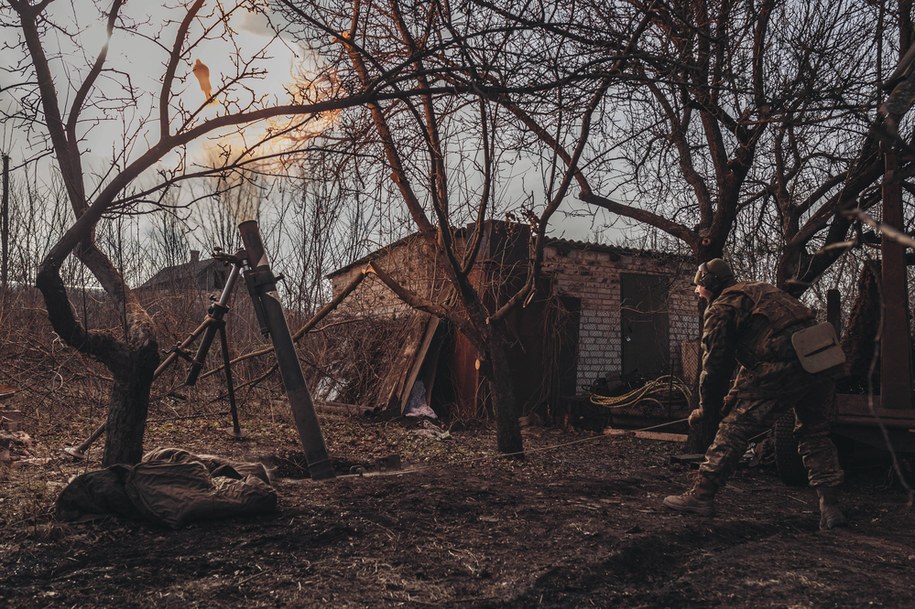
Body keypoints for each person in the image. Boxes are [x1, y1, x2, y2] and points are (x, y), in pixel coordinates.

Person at [663, 258, 847, 530]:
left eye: (699, 286)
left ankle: (701, 496)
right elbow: (753, 356)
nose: (696, 291)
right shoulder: (759, 289)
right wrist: (733, 396)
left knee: (734, 430)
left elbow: (714, 367)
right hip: (823, 360)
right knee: (815, 434)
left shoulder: (721, 308)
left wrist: (707, 409)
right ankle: (830, 506)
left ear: (710, 284)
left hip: (786, 365)